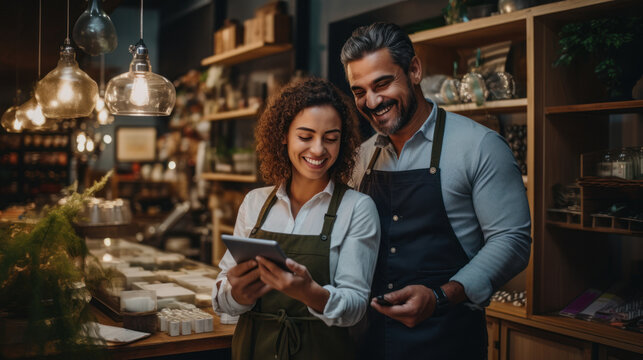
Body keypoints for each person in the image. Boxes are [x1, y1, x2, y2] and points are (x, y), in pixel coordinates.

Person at [341, 22, 532, 359]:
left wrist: (441, 296)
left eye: (383, 83)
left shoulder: (479, 146)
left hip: (449, 341)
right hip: (369, 343)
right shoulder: (362, 157)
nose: (372, 101)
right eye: (359, 91)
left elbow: (512, 241)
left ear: (414, 70)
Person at [212, 78, 381, 360]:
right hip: (254, 348)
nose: (318, 150)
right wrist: (237, 293)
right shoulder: (255, 203)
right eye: (305, 136)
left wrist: (309, 292)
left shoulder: (358, 208)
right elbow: (222, 300)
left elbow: (355, 308)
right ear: (283, 135)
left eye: (330, 138)